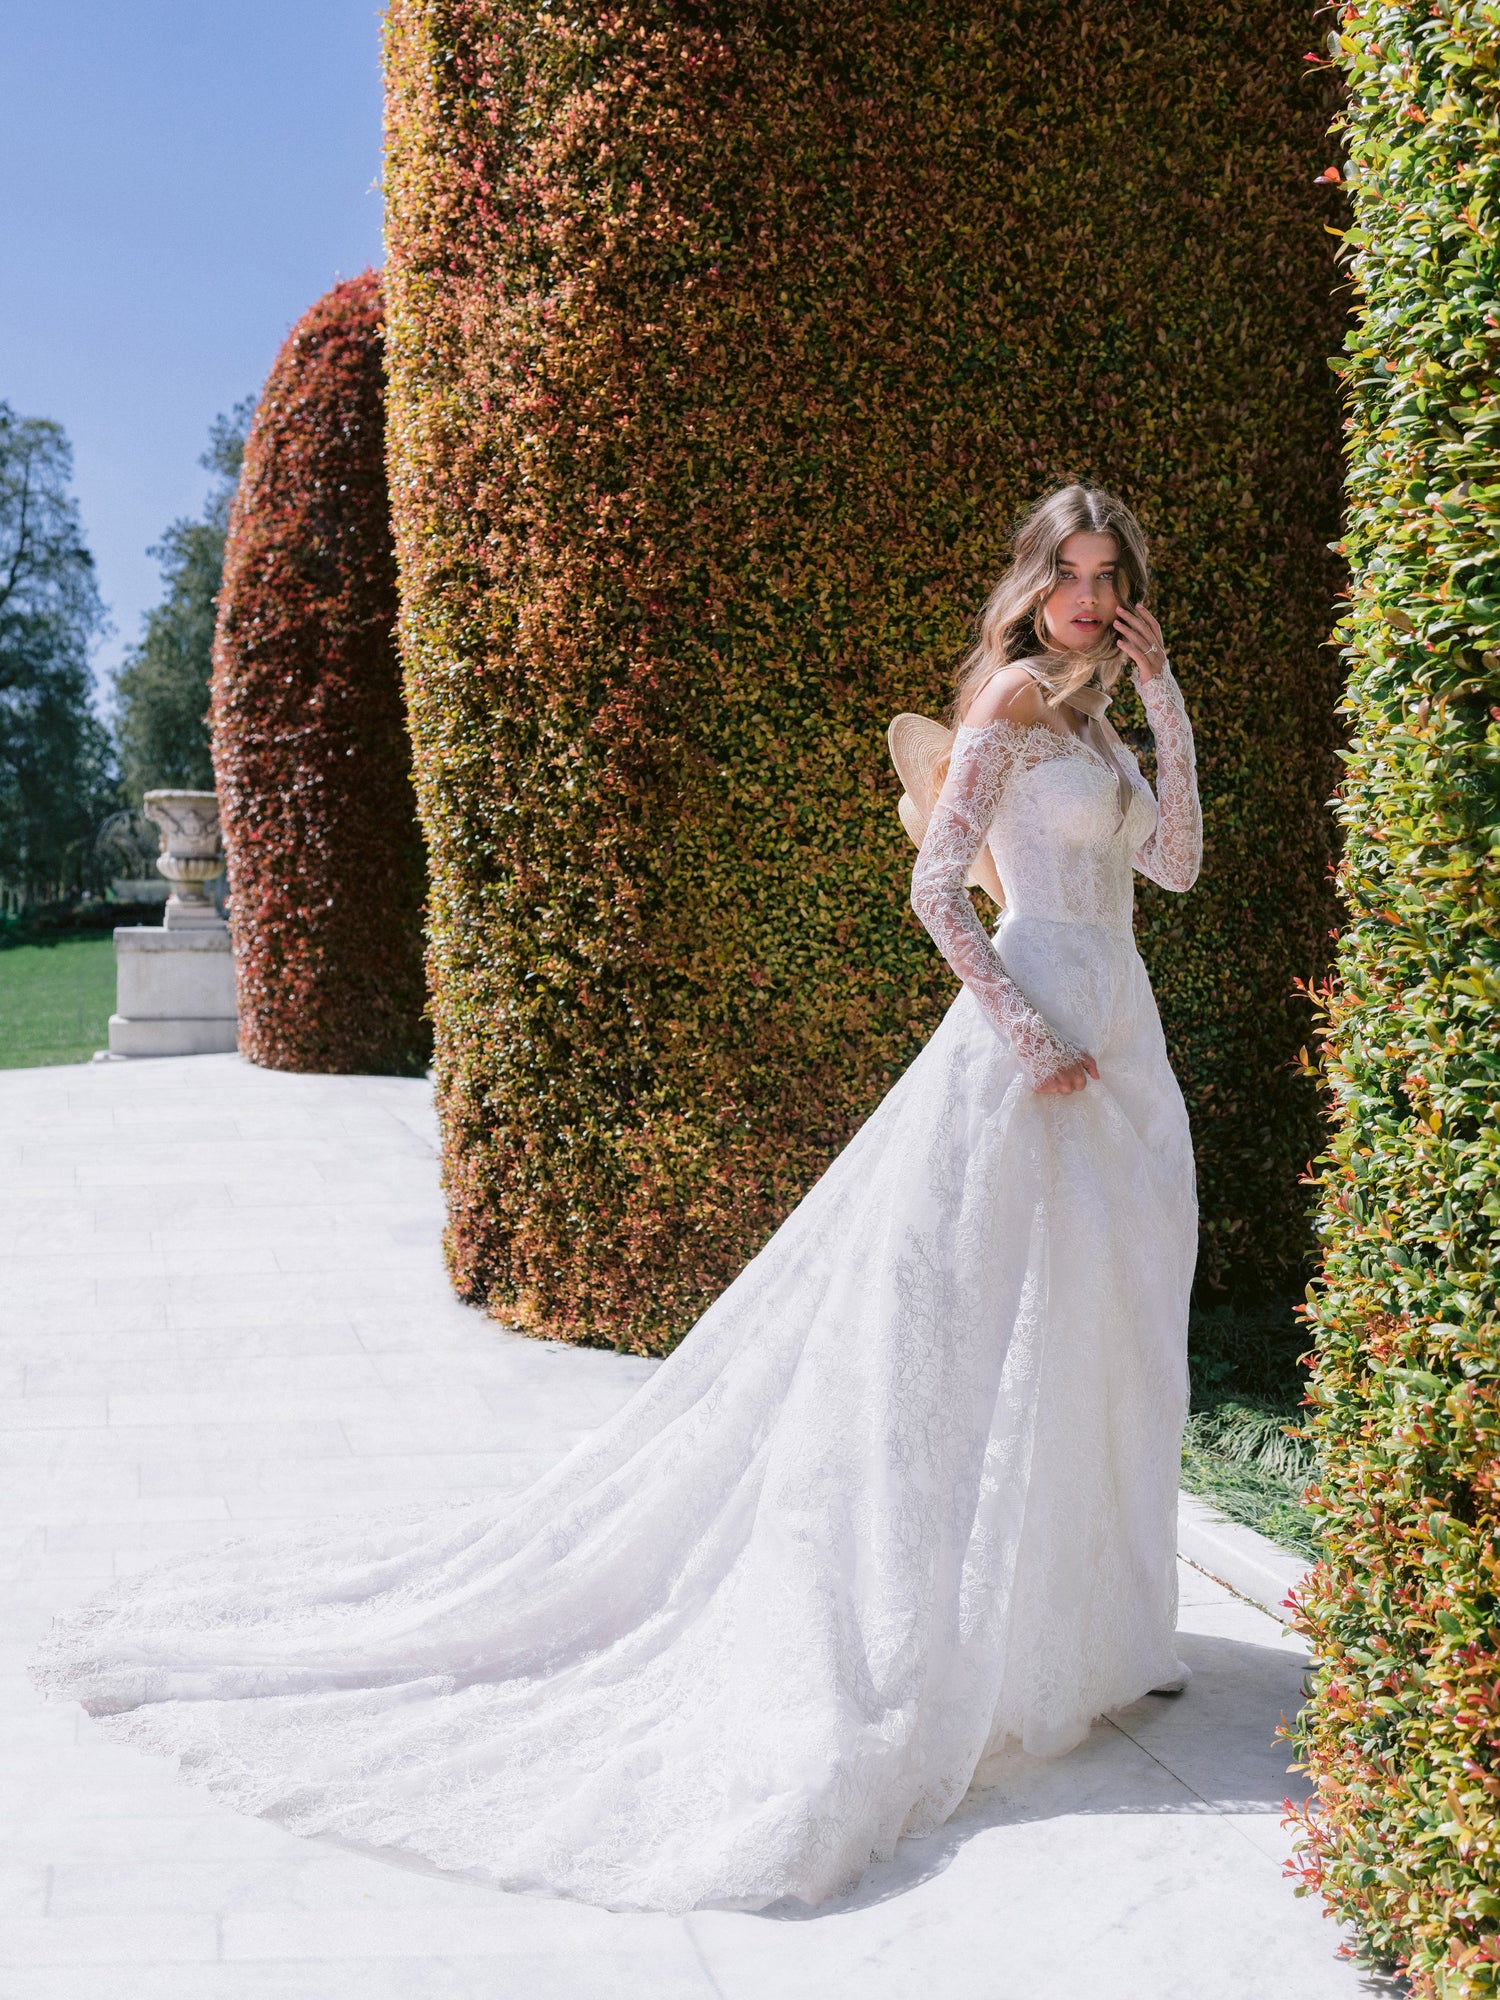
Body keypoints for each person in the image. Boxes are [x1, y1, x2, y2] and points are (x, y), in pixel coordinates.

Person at [32, 483, 1201, 1916]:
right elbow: (936, 887)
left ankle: (1092, 1635)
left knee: (1110, 1331)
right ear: (1029, 586)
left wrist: (1162, 695)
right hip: (1030, 1052)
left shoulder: (1096, 722)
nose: (1086, 595)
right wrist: (1024, 1035)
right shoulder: (1014, 703)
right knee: (971, 1347)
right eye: (1067, 573)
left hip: (1126, 1046)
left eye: (1107, 575)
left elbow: (1181, 864)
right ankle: (935, 1643)